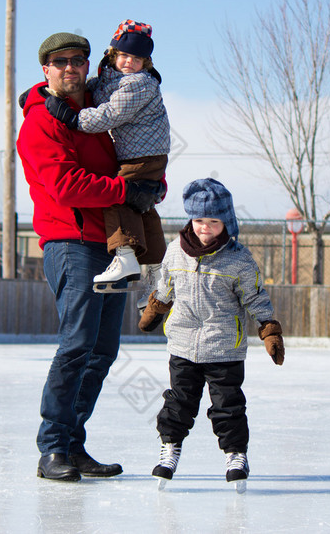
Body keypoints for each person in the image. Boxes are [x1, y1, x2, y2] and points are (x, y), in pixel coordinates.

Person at [16, 32, 164, 482]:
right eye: (59, 62)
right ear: (46, 70)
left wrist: (148, 186)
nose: (69, 68)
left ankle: (74, 444)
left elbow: (129, 154)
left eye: (77, 60)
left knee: (102, 350)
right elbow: (67, 185)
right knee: (78, 344)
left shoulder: (94, 113)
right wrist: (127, 191)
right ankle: (52, 449)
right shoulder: (42, 121)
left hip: (111, 244)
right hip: (71, 243)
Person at [138, 178, 285, 490]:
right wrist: (156, 308)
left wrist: (268, 328)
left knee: (228, 405)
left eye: (213, 221)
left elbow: (255, 296)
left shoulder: (239, 258)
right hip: (182, 344)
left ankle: (235, 454)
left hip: (224, 348)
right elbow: (166, 285)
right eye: (199, 220)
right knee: (179, 402)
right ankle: (170, 449)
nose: (205, 227)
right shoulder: (176, 251)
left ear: (227, 221)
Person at [45, 20, 170, 300]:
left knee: (118, 197)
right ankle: (158, 271)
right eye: (124, 56)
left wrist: (72, 117)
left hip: (143, 155)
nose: (129, 63)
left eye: (137, 59)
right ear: (113, 56)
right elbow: (90, 89)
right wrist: (40, 92)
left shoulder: (138, 85)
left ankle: (125, 256)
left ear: (145, 63)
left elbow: (108, 115)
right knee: (143, 207)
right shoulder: (110, 78)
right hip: (139, 153)